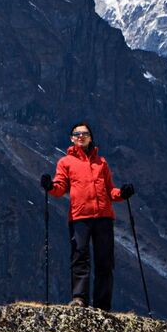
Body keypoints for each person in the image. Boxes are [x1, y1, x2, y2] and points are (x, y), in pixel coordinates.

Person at [39, 121, 134, 310]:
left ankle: (102, 304)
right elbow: (60, 187)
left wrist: (122, 194)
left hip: (103, 217)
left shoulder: (101, 163)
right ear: (71, 139)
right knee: (80, 257)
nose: (80, 136)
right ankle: (79, 299)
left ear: (90, 137)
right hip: (80, 217)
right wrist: (50, 187)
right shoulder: (65, 162)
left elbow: (109, 190)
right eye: (76, 134)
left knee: (104, 261)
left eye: (84, 133)